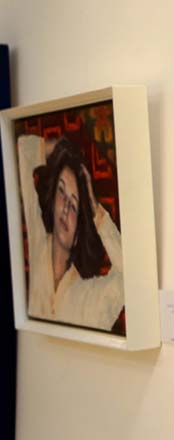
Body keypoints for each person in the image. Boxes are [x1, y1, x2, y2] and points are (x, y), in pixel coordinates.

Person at [18, 135, 124, 331]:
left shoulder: (89, 298)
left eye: (74, 205)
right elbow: (22, 150)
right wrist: (60, 146)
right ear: (52, 203)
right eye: (61, 191)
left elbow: (128, 278)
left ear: (77, 235)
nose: (66, 207)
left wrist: (95, 209)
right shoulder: (36, 243)